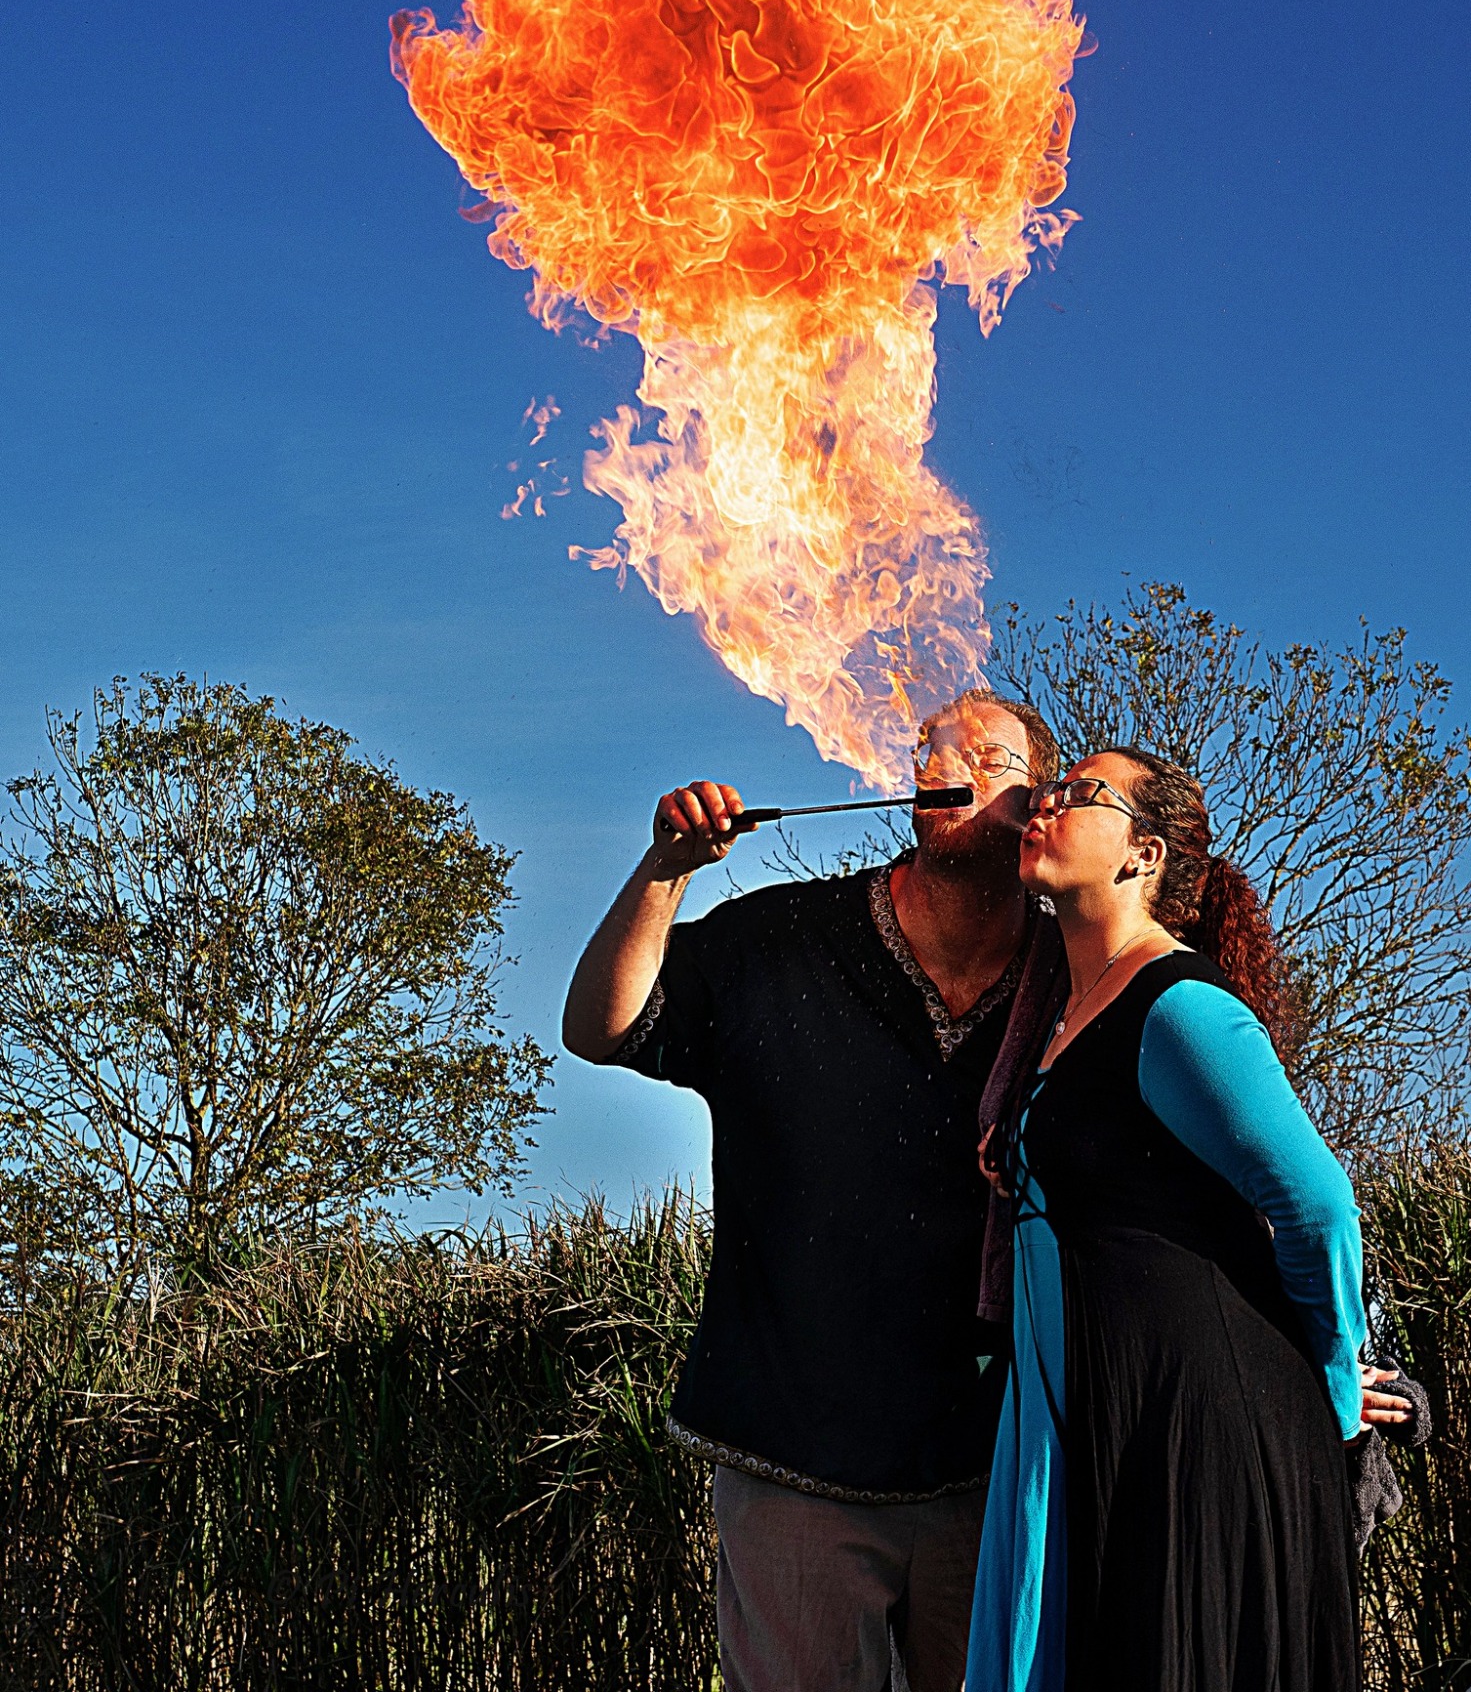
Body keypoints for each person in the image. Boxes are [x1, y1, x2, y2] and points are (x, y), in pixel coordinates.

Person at [562, 692, 1068, 1692]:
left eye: (988, 755)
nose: (948, 764)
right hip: (791, 1457)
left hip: (996, 1464)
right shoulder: (778, 937)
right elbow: (600, 1027)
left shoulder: (1074, 979)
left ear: (1039, 806)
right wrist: (664, 871)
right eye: (934, 747)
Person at [967, 746, 1412, 1692]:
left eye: (1079, 794)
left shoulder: (1180, 1007)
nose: (1045, 804)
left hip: (1197, 1435)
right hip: (1109, 1421)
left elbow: (1317, 1207)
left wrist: (1338, 1394)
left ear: (1144, 854)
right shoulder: (1062, 1017)